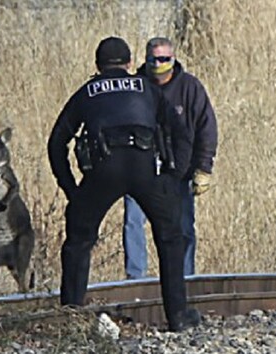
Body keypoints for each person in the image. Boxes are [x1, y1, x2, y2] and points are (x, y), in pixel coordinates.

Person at [47, 36, 202, 331]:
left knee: (79, 242)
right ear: (131, 64)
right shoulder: (147, 88)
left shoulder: (87, 92)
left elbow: (56, 143)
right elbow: (181, 133)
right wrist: (173, 177)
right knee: (170, 238)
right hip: (145, 169)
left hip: (103, 171)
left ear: (97, 66)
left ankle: (71, 318)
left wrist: (72, 191)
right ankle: (178, 316)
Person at [122, 37, 218, 279]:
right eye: (154, 59)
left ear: (173, 59)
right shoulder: (135, 86)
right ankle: (136, 278)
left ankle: (184, 278)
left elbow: (207, 128)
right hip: (139, 169)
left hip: (179, 170)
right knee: (133, 222)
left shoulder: (190, 88)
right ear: (146, 59)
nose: (159, 64)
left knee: (183, 227)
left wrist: (203, 169)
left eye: (164, 59)